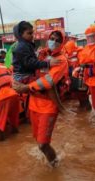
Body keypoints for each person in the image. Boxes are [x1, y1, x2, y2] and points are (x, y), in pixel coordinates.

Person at [13, 30, 68, 167]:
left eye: (57, 40)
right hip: (34, 103)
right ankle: (51, 160)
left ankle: (55, 167)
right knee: (38, 141)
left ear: (62, 43)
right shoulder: (40, 54)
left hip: (48, 106)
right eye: (52, 38)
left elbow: (49, 81)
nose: (53, 41)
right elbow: (25, 67)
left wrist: (25, 88)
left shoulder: (61, 60)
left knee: (43, 144)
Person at [64, 40, 91, 109]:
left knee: (84, 97)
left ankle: (86, 112)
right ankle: (83, 113)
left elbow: (84, 65)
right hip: (74, 79)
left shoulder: (80, 53)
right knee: (80, 98)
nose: (68, 50)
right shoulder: (67, 55)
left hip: (81, 79)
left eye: (68, 48)